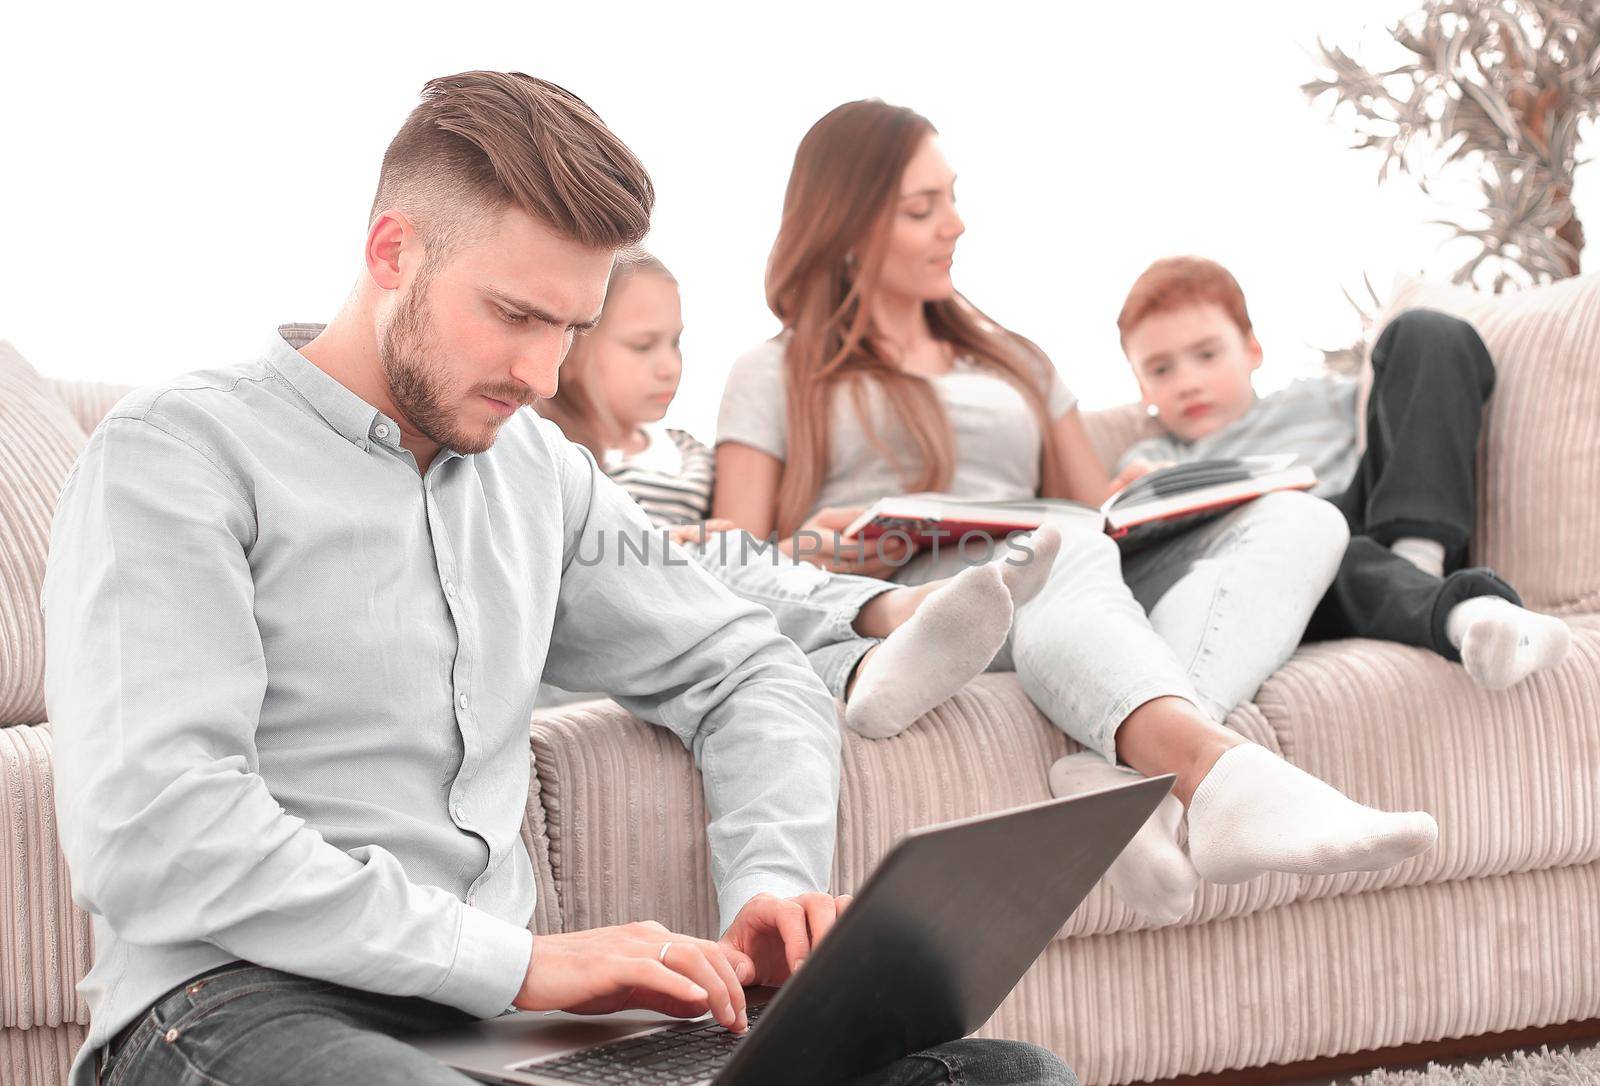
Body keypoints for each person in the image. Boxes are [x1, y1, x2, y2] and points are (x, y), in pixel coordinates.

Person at [41, 72, 1076, 1086]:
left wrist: (772, 887)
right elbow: (156, 831)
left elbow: (746, 669)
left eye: (570, 329)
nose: (543, 377)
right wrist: (526, 965)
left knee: (1003, 1075)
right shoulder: (177, 454)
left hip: (491, 1035)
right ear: (391, 250)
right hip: (234, 1005)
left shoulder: (535, 472)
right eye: (514, 315)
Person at [711, 98, 1440, 929]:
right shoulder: (771, 373)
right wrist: (829, 540)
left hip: (1058, 559)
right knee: (1058, 549)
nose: (956, 224)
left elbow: (1094, 502)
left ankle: (1128, 773)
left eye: (952, 197)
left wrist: (1151, 493)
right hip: (927, 592)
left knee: (1305, 522)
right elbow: (738, 547)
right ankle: (1213, 771)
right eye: (923, 208)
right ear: (846, 224)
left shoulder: (1016, 358)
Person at [537, 251, 1063, 736]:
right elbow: (566, 561)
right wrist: (678, 548)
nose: (669, 364)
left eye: (676, 342)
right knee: (710, 556)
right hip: (602, 628)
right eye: (642, 345)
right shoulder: (549, 453)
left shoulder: (690, 454)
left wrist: (793, 550)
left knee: (758, 635)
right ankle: (900, 609)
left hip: (693, 628)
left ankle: (869, 670)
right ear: (572, 342)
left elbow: (742, 573)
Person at [1113, 255, 1572, 691]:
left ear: (1252, 350)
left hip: (1384, 519)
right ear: (1139, 384)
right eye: (1161, 369)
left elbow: (1412, 410)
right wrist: (1144, 488)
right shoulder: (1156, 453)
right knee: (1317, 544)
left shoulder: (1322, 397)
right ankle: (1470, 614)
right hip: (1297, 567)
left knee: (1425, 333)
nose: (1187, 382)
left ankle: (1417, 560)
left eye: (1207, 355)